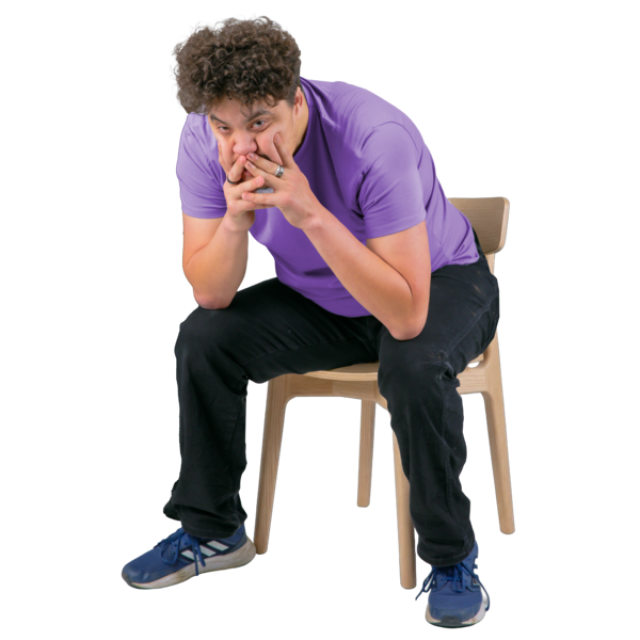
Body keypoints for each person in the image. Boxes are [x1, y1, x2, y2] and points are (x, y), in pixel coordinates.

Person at [121, 14, 500, 629]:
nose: (241, 147)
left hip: (438, 283)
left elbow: (407, 316)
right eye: (224, 126)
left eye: (259, 123)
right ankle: (215, 532)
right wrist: (235, 222)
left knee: (413, 364)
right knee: (203, 338)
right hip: (322, 296)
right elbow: (211, 292)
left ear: (296, 102)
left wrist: (311, 215)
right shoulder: (202, 140)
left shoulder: (374, 136)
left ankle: (451, 559)